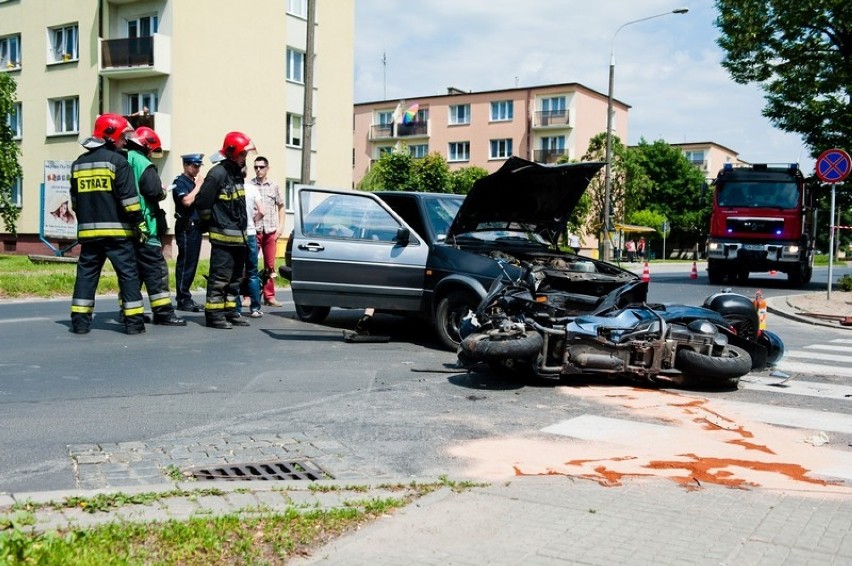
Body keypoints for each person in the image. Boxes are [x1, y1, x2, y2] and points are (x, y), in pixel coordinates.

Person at [69, 113, 147, 335]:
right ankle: (134, 324)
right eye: (123, 136)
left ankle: (80, 323)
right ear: (110, 136)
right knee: (128, 275)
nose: (125, 141)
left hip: (88, 235)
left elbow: (75, 203)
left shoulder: (78, 164)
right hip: (118, 233)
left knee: (86, 275)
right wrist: (139, 225)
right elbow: (130, 203)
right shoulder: (118, 162)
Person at [125, 126, 185, 326]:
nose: (152, 154)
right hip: (145, 227)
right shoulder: (143, 163)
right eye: (152, 149)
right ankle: (163, 313)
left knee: (132, 273)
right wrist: (163, 191)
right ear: (146, 146)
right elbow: (153, 191)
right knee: (157, 270)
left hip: (126, 228)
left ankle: (129, 311)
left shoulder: (122, 159)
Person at [196, 131, 254, 329]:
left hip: (239, 238)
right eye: (242, 154)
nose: (245, 159)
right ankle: (214, 315)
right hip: (223, 238)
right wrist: (209, 223)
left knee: (236, 279)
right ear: (231, 152)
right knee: (220, 278)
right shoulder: (217, 174)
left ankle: (231, 311)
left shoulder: (236, 174)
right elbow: (203, 202)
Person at [249, 156, 284, 307]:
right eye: (256, 167)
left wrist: (281, 226)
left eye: (261, 167)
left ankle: (269, 296)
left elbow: (281, 206)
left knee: (270, 265)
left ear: (267, 168)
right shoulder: (249, 185)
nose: (258, 170)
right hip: (254, 230)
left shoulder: (273, 186)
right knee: (250, 264)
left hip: (270, 230)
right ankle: (248, 295)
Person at [171, 153, 205, 312]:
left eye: (199, 166)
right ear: (186, 165)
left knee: (192, 262)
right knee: (185, 263)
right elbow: (186, 201)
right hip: (186, 226)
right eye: (195, 165)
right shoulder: (180, 182)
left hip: (196, 226)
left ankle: (186, 296)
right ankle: (183, 298)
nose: (197, 169)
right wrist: (199, 186)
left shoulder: (192, 182)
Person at [239, 175, 264, 318]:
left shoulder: (231, 188)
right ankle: (255, 308)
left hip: (236, 234)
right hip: (251, 233)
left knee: (236, 272)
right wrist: (253, 221)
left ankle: (235, 308)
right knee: (252, 273)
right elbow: (262, 211)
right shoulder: (252, 188)